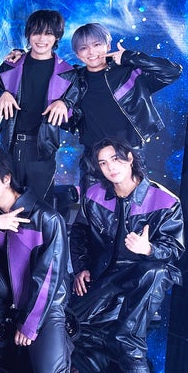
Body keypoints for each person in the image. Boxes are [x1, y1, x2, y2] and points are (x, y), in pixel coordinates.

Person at [69, 138, 185, 373]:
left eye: (115, 159)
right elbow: (79, 233)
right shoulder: (94, 195)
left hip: (141, 274)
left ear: (130, 158)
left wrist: (149, 249)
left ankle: (129, 342)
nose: (110, 167)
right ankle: (110, 335)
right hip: (105, 275)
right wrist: (81, 267)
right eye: (103, 163)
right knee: (72, 325)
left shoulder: (165, 201)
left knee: (159, 271)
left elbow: (174, 248)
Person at [0, 153, 72, 373]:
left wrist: (30, 324)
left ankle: (65, 342)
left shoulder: (47, 218)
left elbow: (49, 277)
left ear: (6, 178)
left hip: (44, 305)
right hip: (7, 299)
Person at [65, 22, 182, 190]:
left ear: (108, 45)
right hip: (93, 159)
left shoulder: (129, 72)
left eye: (97, 44)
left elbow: (172, 72)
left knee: (134, 203)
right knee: (93, 203)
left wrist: (130, 57)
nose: (91, 52)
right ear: (77, 54)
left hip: (129, 154)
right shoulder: (74, 80)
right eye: (83, 48)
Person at [0, 9, 77, 200]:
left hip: (42, 150)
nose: (41, 39)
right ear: (28, 34)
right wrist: (1, 95)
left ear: (57, 36)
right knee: (4, 202)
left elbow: (76, 112)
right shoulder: (11, 65)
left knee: (39, 206)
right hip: (8, 147)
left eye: (48, 33)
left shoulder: (68, 73)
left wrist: (65, 104)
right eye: (36, 32)